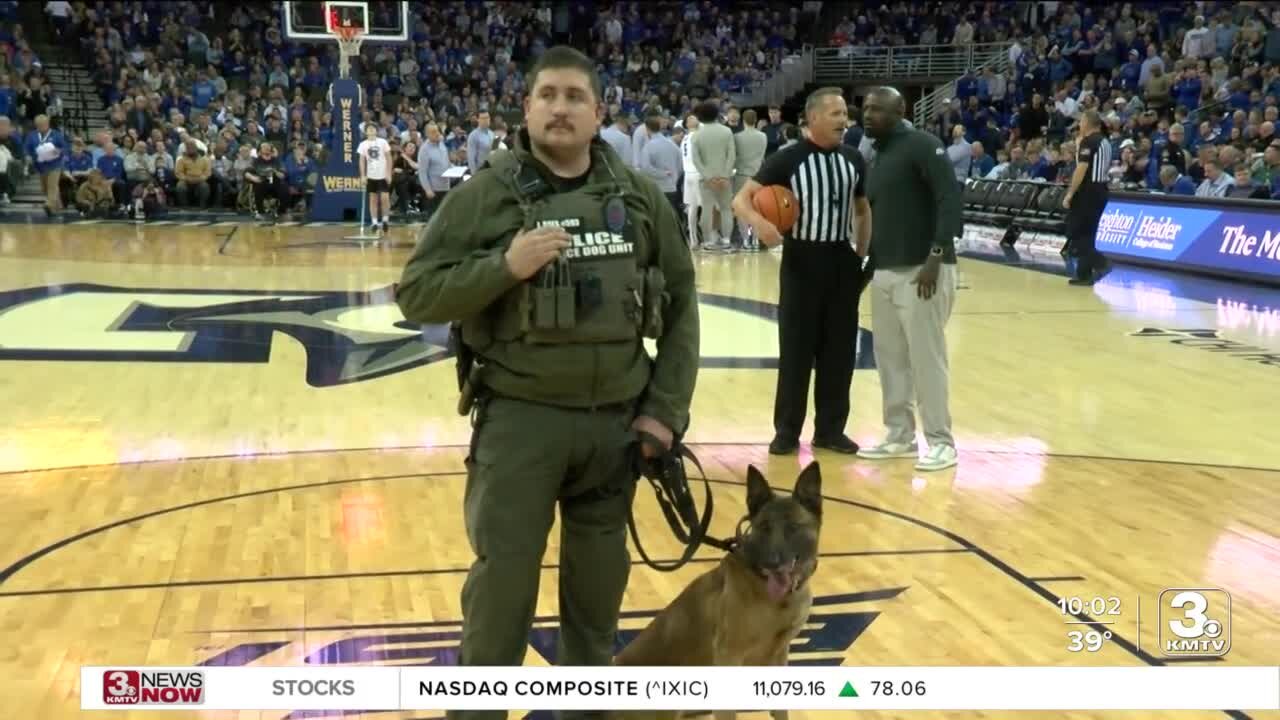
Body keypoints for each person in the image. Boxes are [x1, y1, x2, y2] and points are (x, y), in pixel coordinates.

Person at [394, 45, 699, 720]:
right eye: (547, 96)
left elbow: (681, 305)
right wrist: (504, 266)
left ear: (598, 113)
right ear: (526, 109)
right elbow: (417, 294)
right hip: (521, 424)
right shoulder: (486, 195)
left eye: (574, 97)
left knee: (596, 608)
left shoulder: (640, 200)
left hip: (617, 431)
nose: (560, 109)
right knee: (501, 597)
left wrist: (665, 411)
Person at [731, 87, 871, 456]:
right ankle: (787, 432)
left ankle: (830, 430)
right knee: (796, 352)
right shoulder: (788, 159)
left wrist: (861, 255)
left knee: (840, 354)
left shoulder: (854, 159)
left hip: (842, 262)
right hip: (800, 262)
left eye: (845, 114)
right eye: (836, 114)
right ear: (812, 119)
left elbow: (862, 210)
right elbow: (740, 200)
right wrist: (759, 225)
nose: (844, 120)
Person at [857, 86, 962, 472]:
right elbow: (881, 215)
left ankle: (941, 442)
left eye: (877, 108)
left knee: (926, 359)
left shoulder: (923, 145)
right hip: (886, 270)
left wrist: (936, 255)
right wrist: (870, 267)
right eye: (865, 108)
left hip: (923, 270)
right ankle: (899, 435)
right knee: (890, 359)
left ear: (900, 110)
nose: (868, 115)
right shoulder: (877, 154)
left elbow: (949, 199)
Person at [1063, 110, 1113, 285]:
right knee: (1088, 234)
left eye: (1081, 121)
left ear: (1088, 123)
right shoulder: (1105, 141)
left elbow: (1081, 169)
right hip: (1101, 190)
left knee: (1076, 231)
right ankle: (1084, 274)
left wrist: (1070, 193)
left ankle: (1102, 263)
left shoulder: (1089, 141)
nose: (1079, 125)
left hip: (1088, 191)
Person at [691, 101, 736, 251]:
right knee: (726, 209)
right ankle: (726, 240)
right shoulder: (726, 131)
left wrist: (708, 176)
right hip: (724, 178)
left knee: (707, 208)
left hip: (706, 179)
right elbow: (731, 155)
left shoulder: (696, 135)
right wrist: (724, 175)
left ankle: (708, 241)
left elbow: (696, 160)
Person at [732, 109, 768, 250]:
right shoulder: (763, 136)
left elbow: (734, 158)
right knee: (757, 209)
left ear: (743, 120)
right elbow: (762, 155)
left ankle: (746, 240)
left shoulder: (737, 137)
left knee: (742, 209)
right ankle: (755, 240)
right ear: (755, 120)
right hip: (757, 175)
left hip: (741, 175)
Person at [356, 123, 392, 234]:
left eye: (373, 128)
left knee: (385, 198)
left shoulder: (383, 142)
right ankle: (375, 222)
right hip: (371, 175)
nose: (371, 130)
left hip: (382, 175)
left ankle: (385, 220)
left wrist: (388, 173)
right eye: (369, 129)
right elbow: (362, 161)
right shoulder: (363, 144)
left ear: (376, 131)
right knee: (373, 200)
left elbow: (389, 158)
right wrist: (362, 175)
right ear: (366, 132)